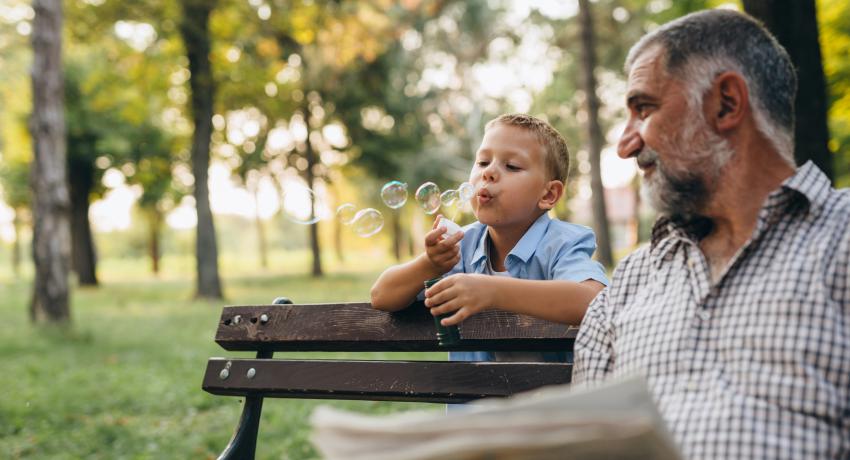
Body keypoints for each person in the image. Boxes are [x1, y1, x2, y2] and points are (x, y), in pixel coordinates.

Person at [572, 9, 850, 459]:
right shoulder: (630, 281)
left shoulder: (841, 240)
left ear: (726, 104)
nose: (626, 144)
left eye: (644, 108)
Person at [371, 113, 608, 364]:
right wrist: (429, 265)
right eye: (483, 162)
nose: (489, 173)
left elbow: (593, 300)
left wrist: (491, 291)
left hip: (548, 401)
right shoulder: (462, 245)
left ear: (549, 194)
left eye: (512, 166)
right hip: (476, 400)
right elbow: (381, 297)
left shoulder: (560, 244)